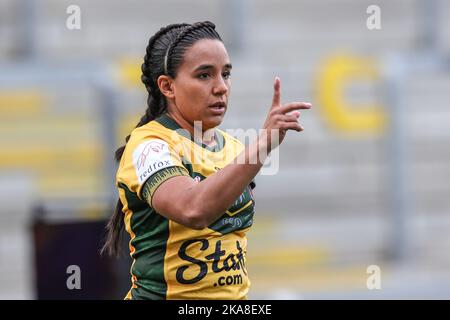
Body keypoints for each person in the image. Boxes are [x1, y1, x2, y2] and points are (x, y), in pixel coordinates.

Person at [101, 21, 311, 300]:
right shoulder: (149, 146)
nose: (221, 87)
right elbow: (193, 209)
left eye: (226, 74)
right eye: (204, 75)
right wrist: (262, 145)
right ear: (167, 86)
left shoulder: (233, 147)